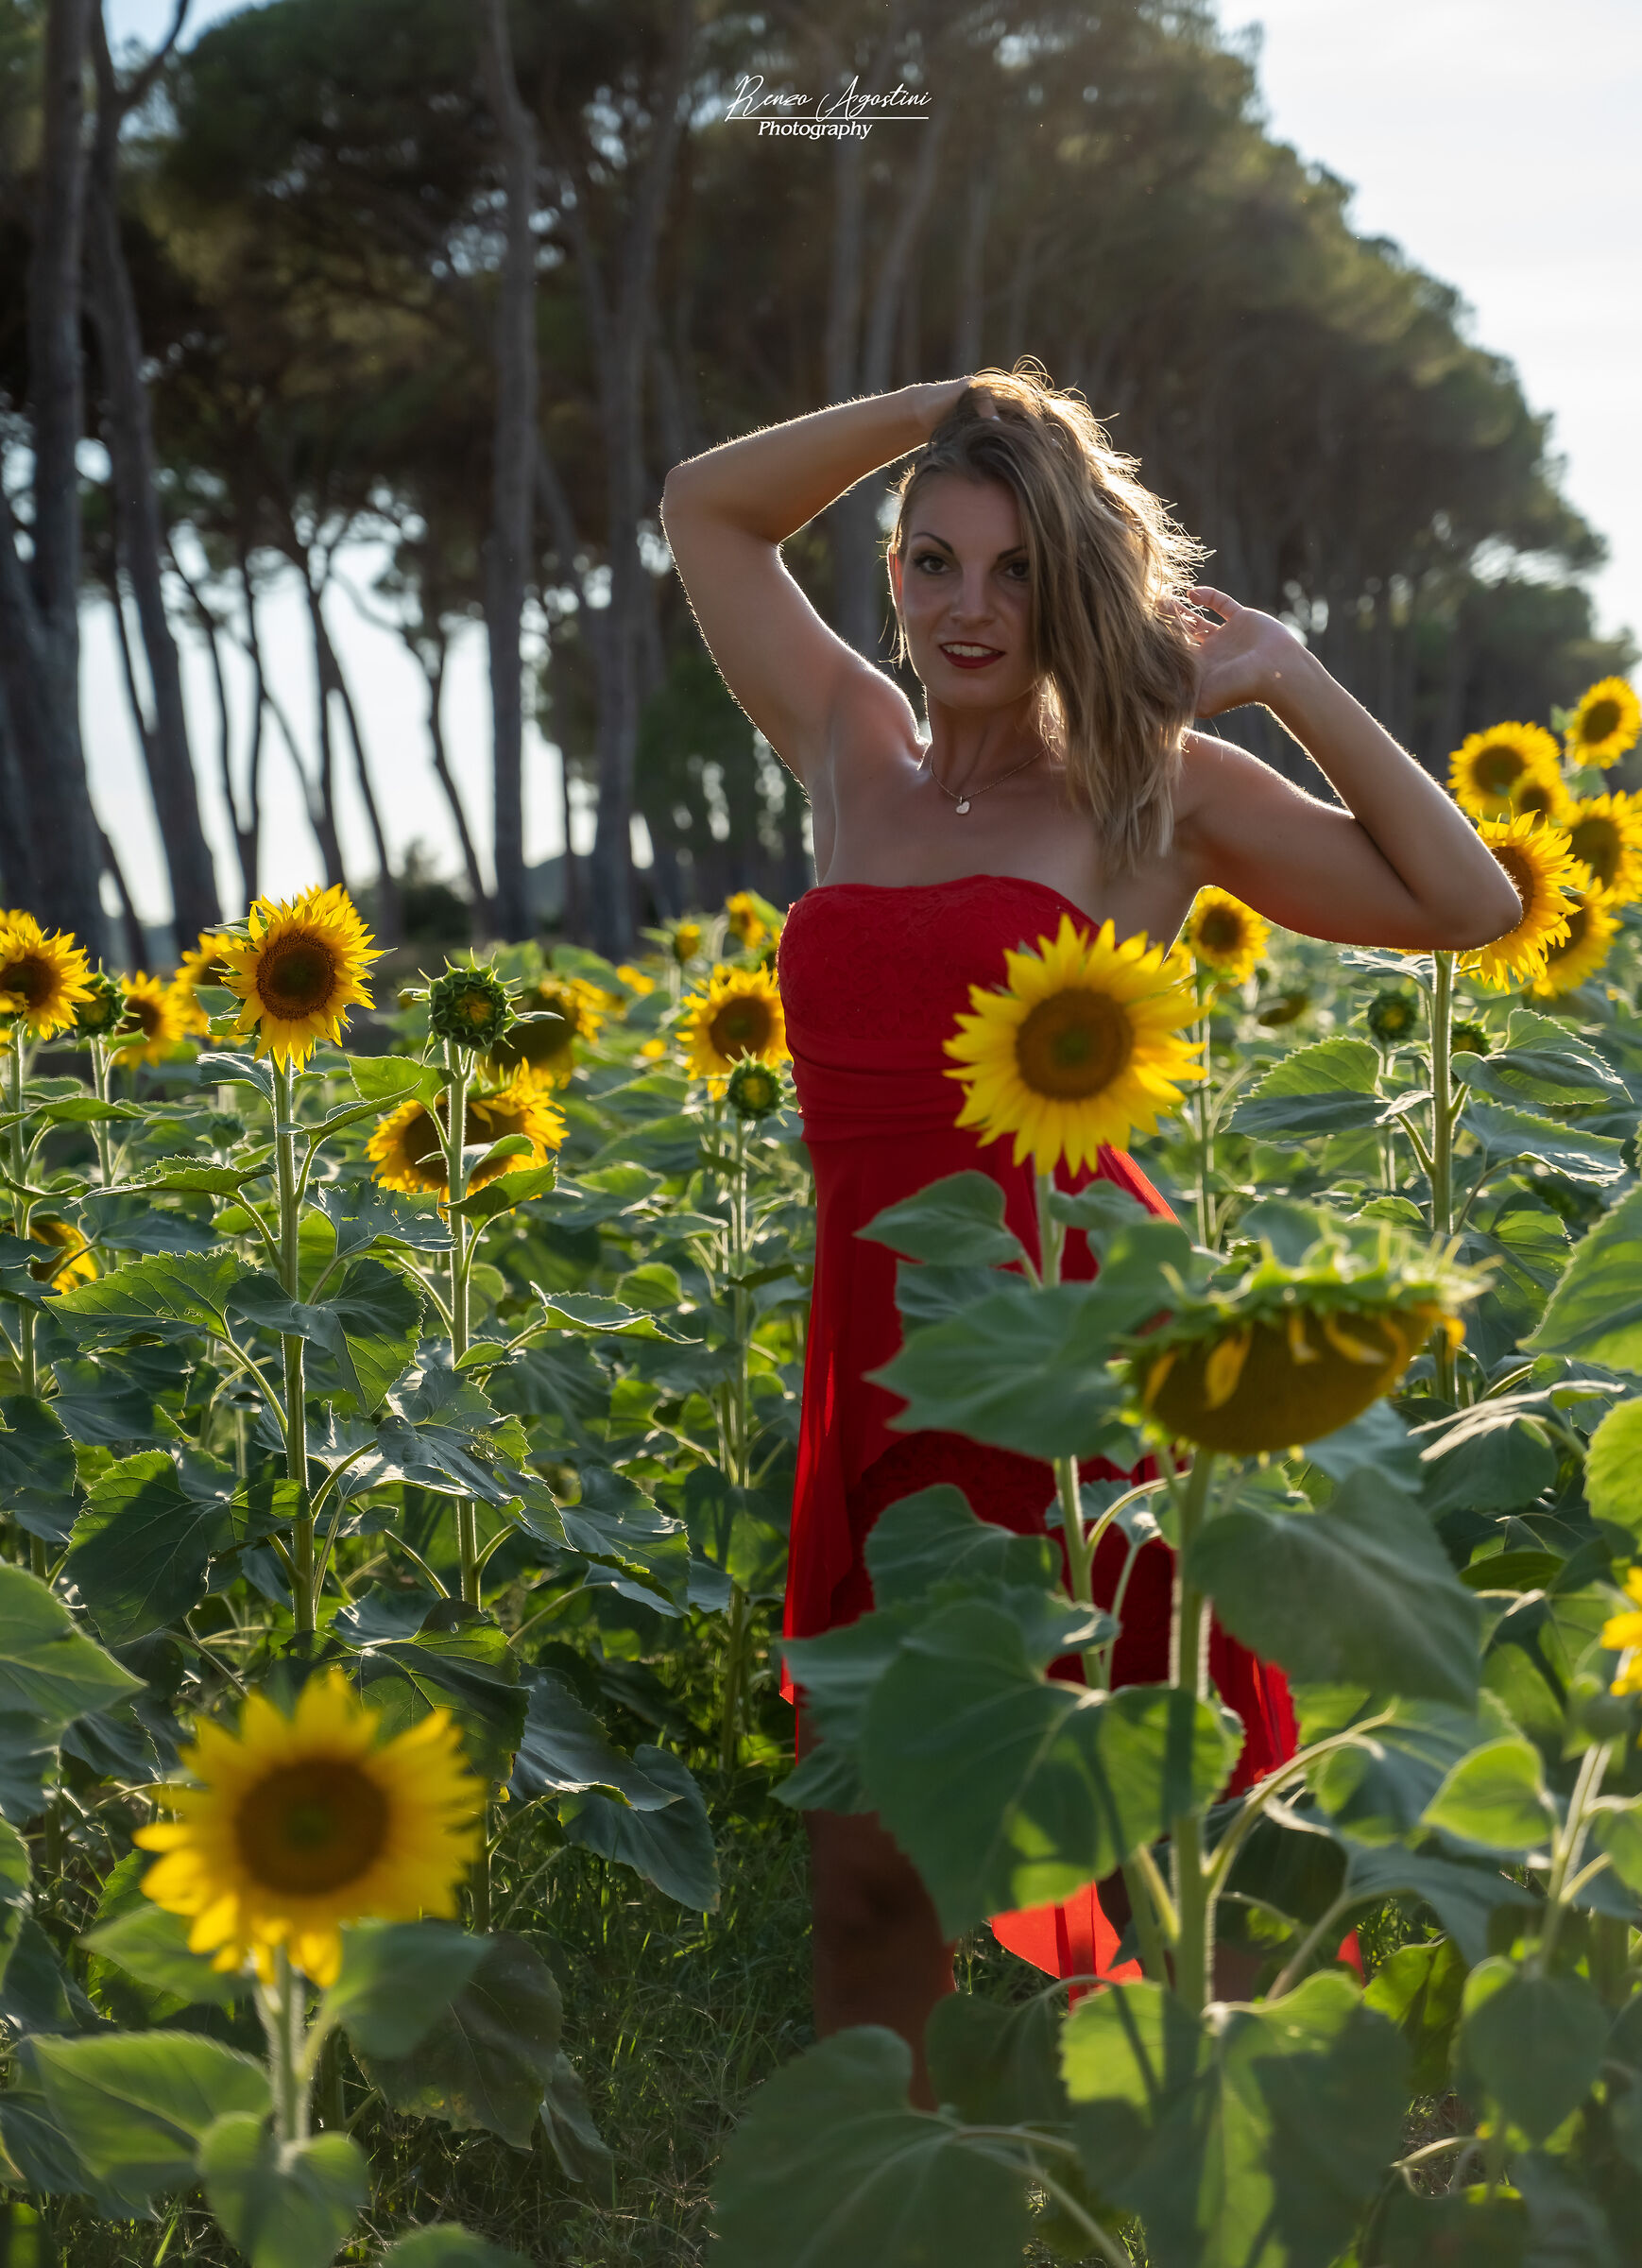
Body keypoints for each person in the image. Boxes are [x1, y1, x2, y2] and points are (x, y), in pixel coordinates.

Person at [658, 362, 1520, 2101]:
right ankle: (893, 2202)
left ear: (1072, 581)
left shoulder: (1148, 787)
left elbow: (1469, 903)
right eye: (932, 564)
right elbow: (705, 507)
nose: (969, 609)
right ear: (892, 578)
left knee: (1175, 1848)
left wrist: (1287, 676)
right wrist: (942, 406)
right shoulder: (843, 745)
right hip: (882, 1363)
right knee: (867, 1875)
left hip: (1081, 1367)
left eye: (1017, 569)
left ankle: (1251, 2179)